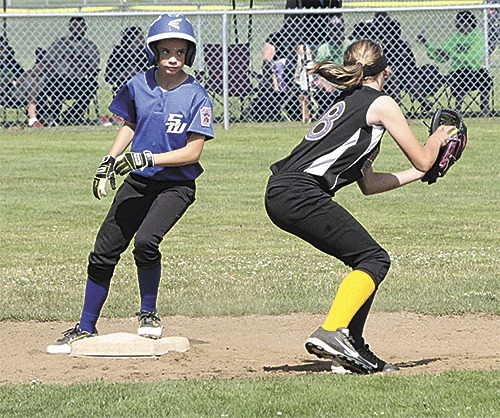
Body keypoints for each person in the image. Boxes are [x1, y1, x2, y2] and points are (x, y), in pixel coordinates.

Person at [264, 39, 455, 374]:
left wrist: (418, 173)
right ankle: (332, 332)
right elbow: (425, 156)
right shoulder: (381, 103)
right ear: (386, 71)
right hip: (300, 193)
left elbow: (368, 184)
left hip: (284, 191)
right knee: (374, 259)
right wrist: (438, 139)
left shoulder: (348, 102)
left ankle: (351, 347)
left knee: (365, 261)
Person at [46, 14, 214, 354]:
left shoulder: (197, 95)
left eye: (179, 52)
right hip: (138, 182)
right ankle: (84, 326)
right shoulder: (139, 84)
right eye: (165, 50)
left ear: (188, 56)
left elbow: (193, 151)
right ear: (154, 51)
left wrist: (148, 158)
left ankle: (149, 313)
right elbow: (130, 124)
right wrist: (109, 159)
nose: (171, 58)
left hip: (175, 186)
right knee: (104, 250)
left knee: (146, 242)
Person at [418, 10, 493, 116]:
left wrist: (451, 54)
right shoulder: (455, 37)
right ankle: (457, 111)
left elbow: (473, 58)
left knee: (486, 79)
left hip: (474, 69)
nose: (456, 25)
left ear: (465, 23)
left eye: (458, 22)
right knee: (457, 79)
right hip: (458, 71)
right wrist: (427, 44)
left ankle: (485, 109)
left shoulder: (478, 35)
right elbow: (441, 57)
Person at [38, 16, 100, 125]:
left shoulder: (90, 46)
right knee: (55, 86)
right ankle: (54, 116)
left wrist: (81, 62)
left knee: (92, 85)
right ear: (70, 28)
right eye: (75, 26)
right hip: (59, 79)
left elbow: (93, 69)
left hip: (79, 80)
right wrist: (56, 70)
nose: (78, 30)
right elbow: (46, 63)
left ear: (85, 28)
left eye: (81, 27)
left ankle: (72, 114)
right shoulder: (60, 44)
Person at [0, 37, 44, 128]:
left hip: (13, 93)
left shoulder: (10, 62)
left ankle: (36, 119)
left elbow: (21, 75)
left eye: (5, 47)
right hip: (3, 94)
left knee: (34, 84)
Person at [105, 26, 149, 96]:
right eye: (139, 37)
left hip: (142, 87)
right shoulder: (118, 54)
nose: (142, 39)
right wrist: (127, 73)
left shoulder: (144, 55)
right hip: (124, 87)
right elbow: (108, 77)